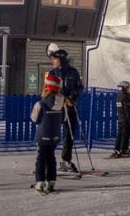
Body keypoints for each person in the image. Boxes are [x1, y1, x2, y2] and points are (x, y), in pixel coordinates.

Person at [48, 44, 84, 174]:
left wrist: (72, 97)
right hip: (57, 108)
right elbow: (50, 91)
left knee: (69, 134)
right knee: (51, 134)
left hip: (70, 107)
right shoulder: (52, 73)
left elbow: (79, 87)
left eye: (55, 59)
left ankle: (66, 160)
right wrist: (63, 98)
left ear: (61, 59)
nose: (53, 61)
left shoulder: (73, 72)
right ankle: (46, 161)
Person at [30, 72, 66, 194]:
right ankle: (51, 181)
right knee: (51, 157)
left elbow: (34, 118)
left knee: (41, 158)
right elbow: (64, 119)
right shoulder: (61, 104)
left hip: (42, 135)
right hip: (55, 135)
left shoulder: (41, 104)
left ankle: (40, 181)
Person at [111, 80, 130, 158]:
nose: (129, 90)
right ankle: (123, 149)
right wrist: (129, 119)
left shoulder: (119, 96)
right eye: (128, 88)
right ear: (124, 88)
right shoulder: (125, 96)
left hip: (121, 118)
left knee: (120, 134)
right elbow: (127, 109)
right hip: (125, 119)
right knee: (125, 134)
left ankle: (117, 149)